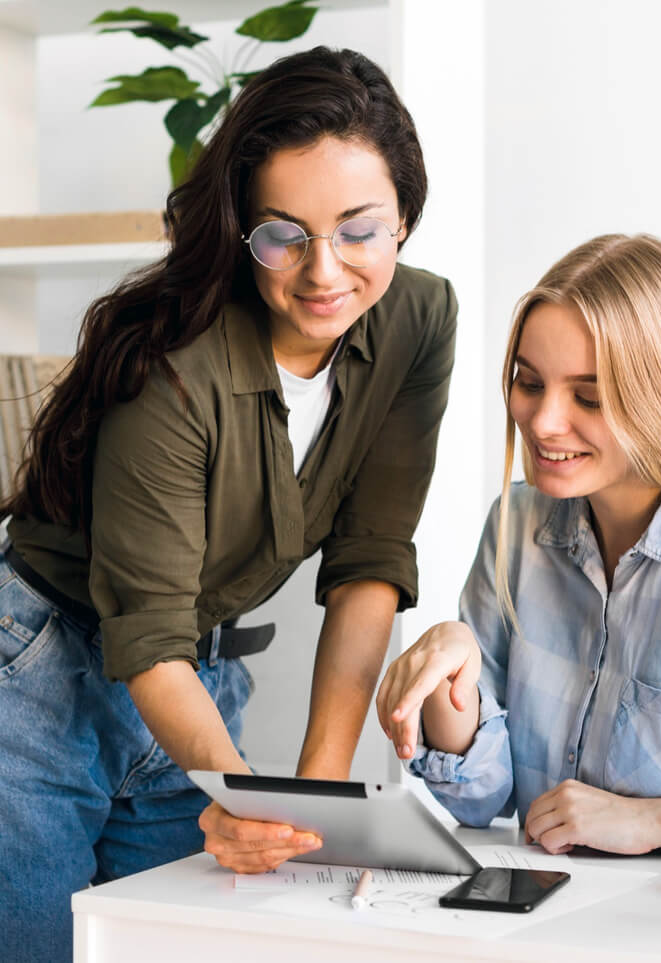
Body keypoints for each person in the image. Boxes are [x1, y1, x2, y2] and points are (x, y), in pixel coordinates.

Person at [0, 47, 456, 962]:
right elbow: (149, 633)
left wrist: (311, 805)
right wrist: (248, 802)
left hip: (192, 680)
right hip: (37, 679)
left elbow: (370, 557)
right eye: (283, 234)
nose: (324, 272)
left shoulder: (418, 320)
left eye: (359, 230)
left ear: (404, 215)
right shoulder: (172, 368)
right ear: (240, 228)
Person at [377, 233, 661, 856]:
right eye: (530, 383)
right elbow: (482, 798)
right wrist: (448, 669)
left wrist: (652, 823)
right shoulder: (516, 526)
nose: (542, 422)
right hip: (544, 924)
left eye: (588, 396)